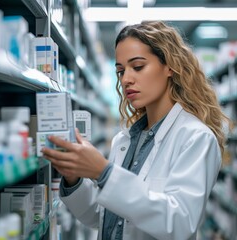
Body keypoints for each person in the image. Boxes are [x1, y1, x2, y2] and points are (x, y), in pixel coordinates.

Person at [41, 21, 231, 240]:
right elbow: (105, 217)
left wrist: (104, 173)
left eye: (138, 66)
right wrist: (74, 178)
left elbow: (180, 222)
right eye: (120, 71)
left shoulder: (195, 137)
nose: (126, 79)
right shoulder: (125, 140)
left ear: (169, 66)